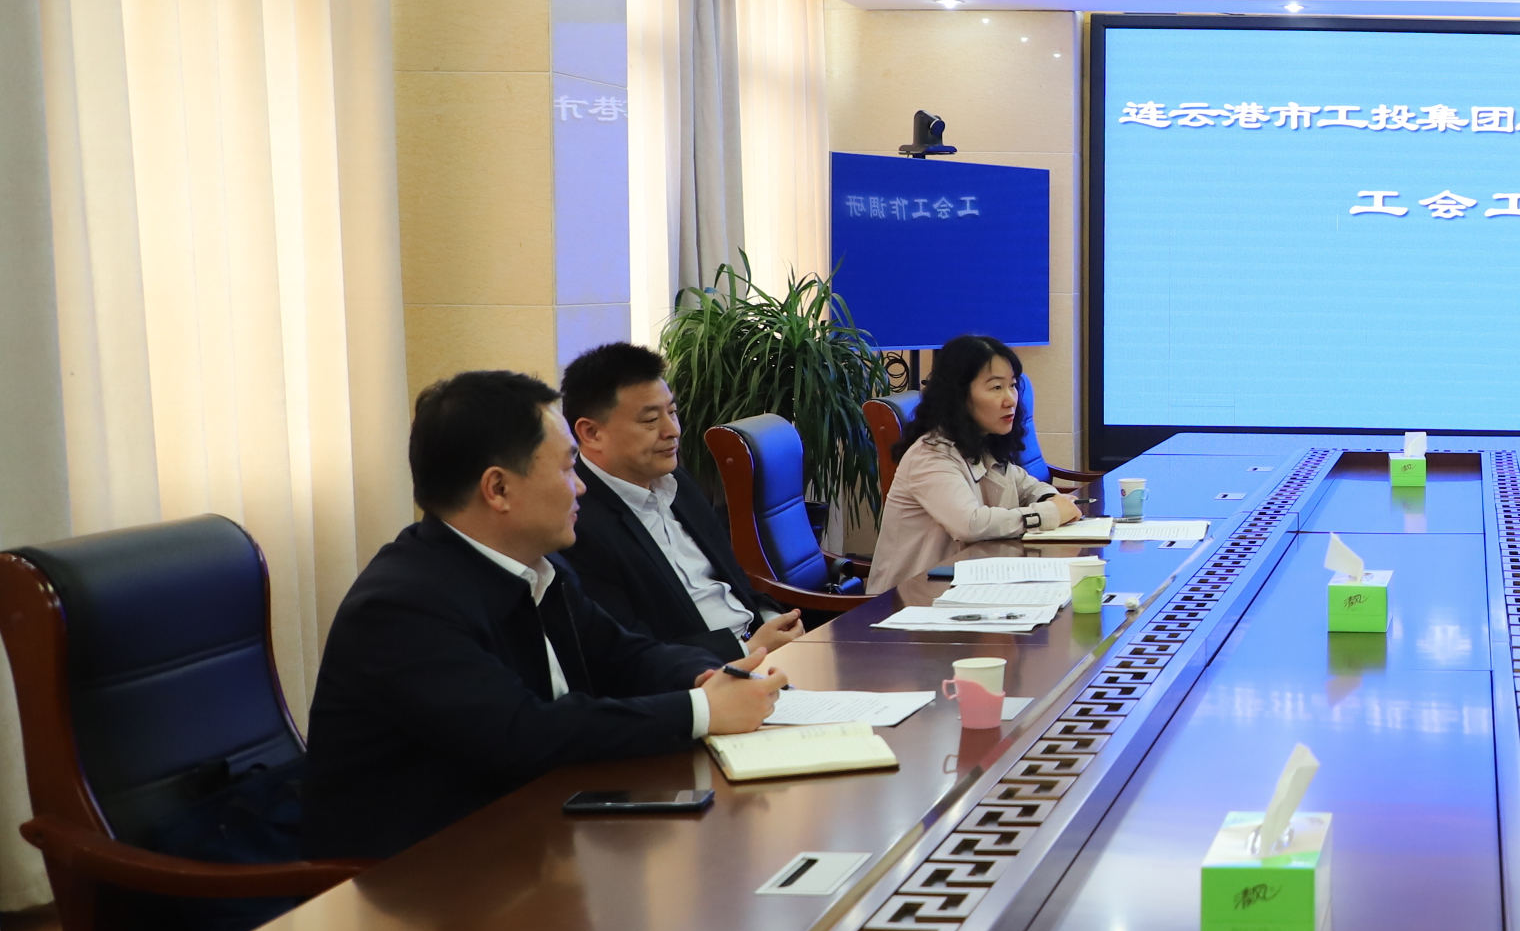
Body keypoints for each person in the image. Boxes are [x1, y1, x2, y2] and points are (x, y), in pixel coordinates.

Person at [302, 371, 788, 860]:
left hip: (537, 833)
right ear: (498, 488)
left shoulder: (539, 568)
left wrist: (705, 676)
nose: (581, 488)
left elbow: (623, 655)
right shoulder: (402, 608)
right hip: (421, 871)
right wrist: (701, 710)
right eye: (567, 468)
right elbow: (522, 733)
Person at [558, 342, 806, 664]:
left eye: (673, 412)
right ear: (591, 433)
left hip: (767, 651)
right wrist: (746, 651)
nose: (672, 431)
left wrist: (775, 621)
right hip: (705, 676)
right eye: (650, 420)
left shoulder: (676, 481)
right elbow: (628, 654)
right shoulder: (577, 523)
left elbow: (737, 584)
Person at [864, 335, 1079, 595]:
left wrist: (1051, 499)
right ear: (959, 395)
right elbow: (970, 524)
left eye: (1012, 386)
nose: (1011, 399)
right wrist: (1048, 514)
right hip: (908, 601)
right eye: (996, 387)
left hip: (962, 588)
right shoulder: (930, 455)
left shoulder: (981, 442)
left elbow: (1027, 486)